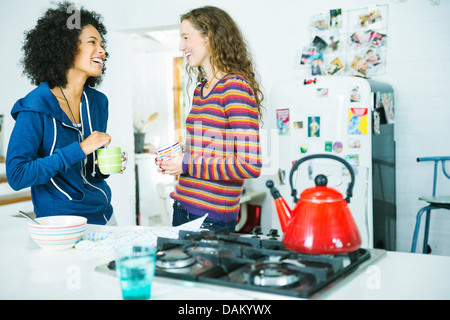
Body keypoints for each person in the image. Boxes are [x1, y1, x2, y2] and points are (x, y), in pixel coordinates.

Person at [6, 2, 125, 225]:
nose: (102, 51)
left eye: (102, 44)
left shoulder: (98, 102)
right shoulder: (34, 106)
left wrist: (103, 165)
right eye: (92, 42)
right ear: (67, 48)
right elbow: (18, 174)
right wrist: (79, 149)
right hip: (61, 224)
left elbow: (88, 172)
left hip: (106, 218)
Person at [156, 6, 264, 232]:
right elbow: (210, 148)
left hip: (210, 219)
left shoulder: (233, 87)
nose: (181, 46)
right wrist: (177, 157)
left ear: (209, 36)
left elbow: (250, 165)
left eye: (186, 37)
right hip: (183, 207)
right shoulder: (202, 89)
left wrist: (185, 163)